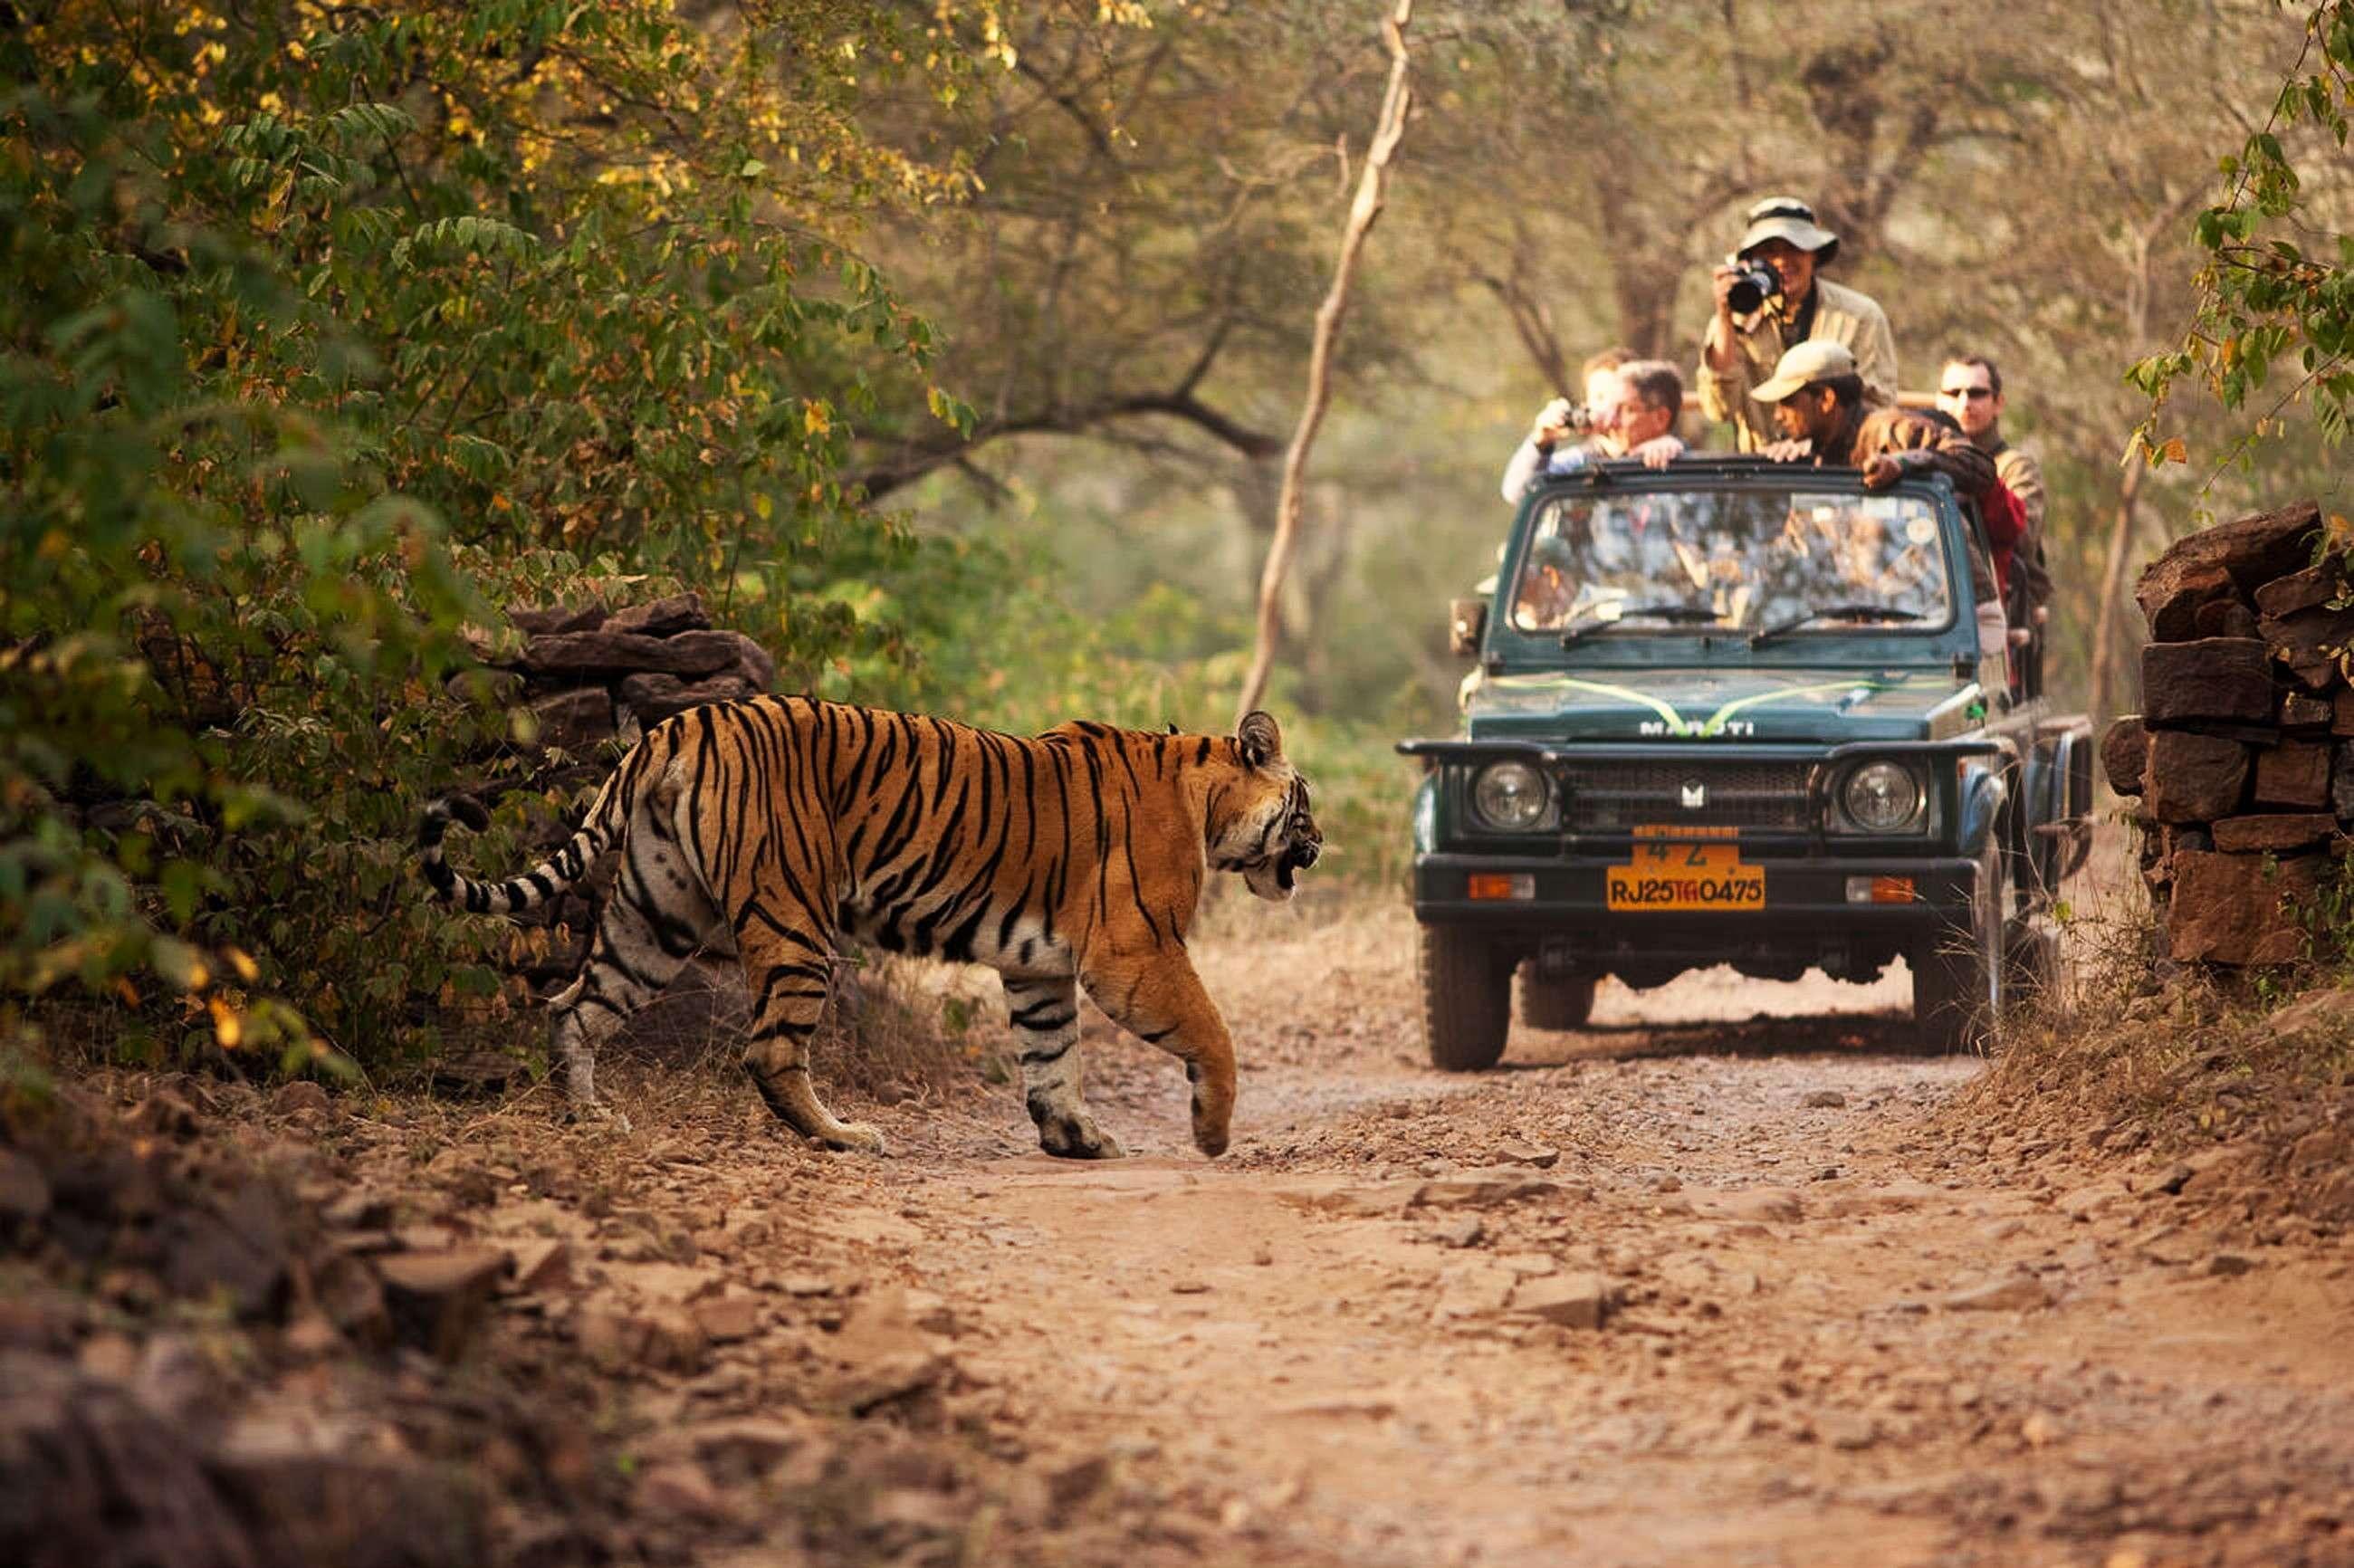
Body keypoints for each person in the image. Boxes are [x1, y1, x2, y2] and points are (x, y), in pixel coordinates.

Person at [1754, 339, 2012, 667]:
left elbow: (1980, 468)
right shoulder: (1817, 456)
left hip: (1955, 623)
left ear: (1826, 399)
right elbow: (1793, 553)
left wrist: (1904, 464)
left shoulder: (1890, 429)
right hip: (1878, 624)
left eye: (1788, 401)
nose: (1778, 415)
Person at [1699, 196, 1898, 454]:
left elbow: (1879, 406)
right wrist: (1726, 316)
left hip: (1835, 471)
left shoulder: (1860, 316)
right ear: (1749, 262)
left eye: (1794, 248)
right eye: (1769, 251)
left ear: (1814, 254)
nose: (1782, 261)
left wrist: (1815, 440)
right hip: (1757, 471)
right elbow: (1719, 409)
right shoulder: (1731, 323)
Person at [1938, 353, 2052, 615]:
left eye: (1976, 393)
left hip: (2003, 611)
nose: (1965, 403)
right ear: (1938, 399)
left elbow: (2022, 539)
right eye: (1954, 393)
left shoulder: (2015, 467)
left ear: (1998, 403)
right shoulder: (1923, 459)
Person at [1498, 357, 1687, 502]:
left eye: (1625, 410)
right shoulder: (1583, 462)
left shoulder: (1686, 465)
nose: (1610, 419)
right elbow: (1519, 492)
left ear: (1661, 418)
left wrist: (1669, 453)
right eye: (1604, 403)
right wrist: (1541, 442)